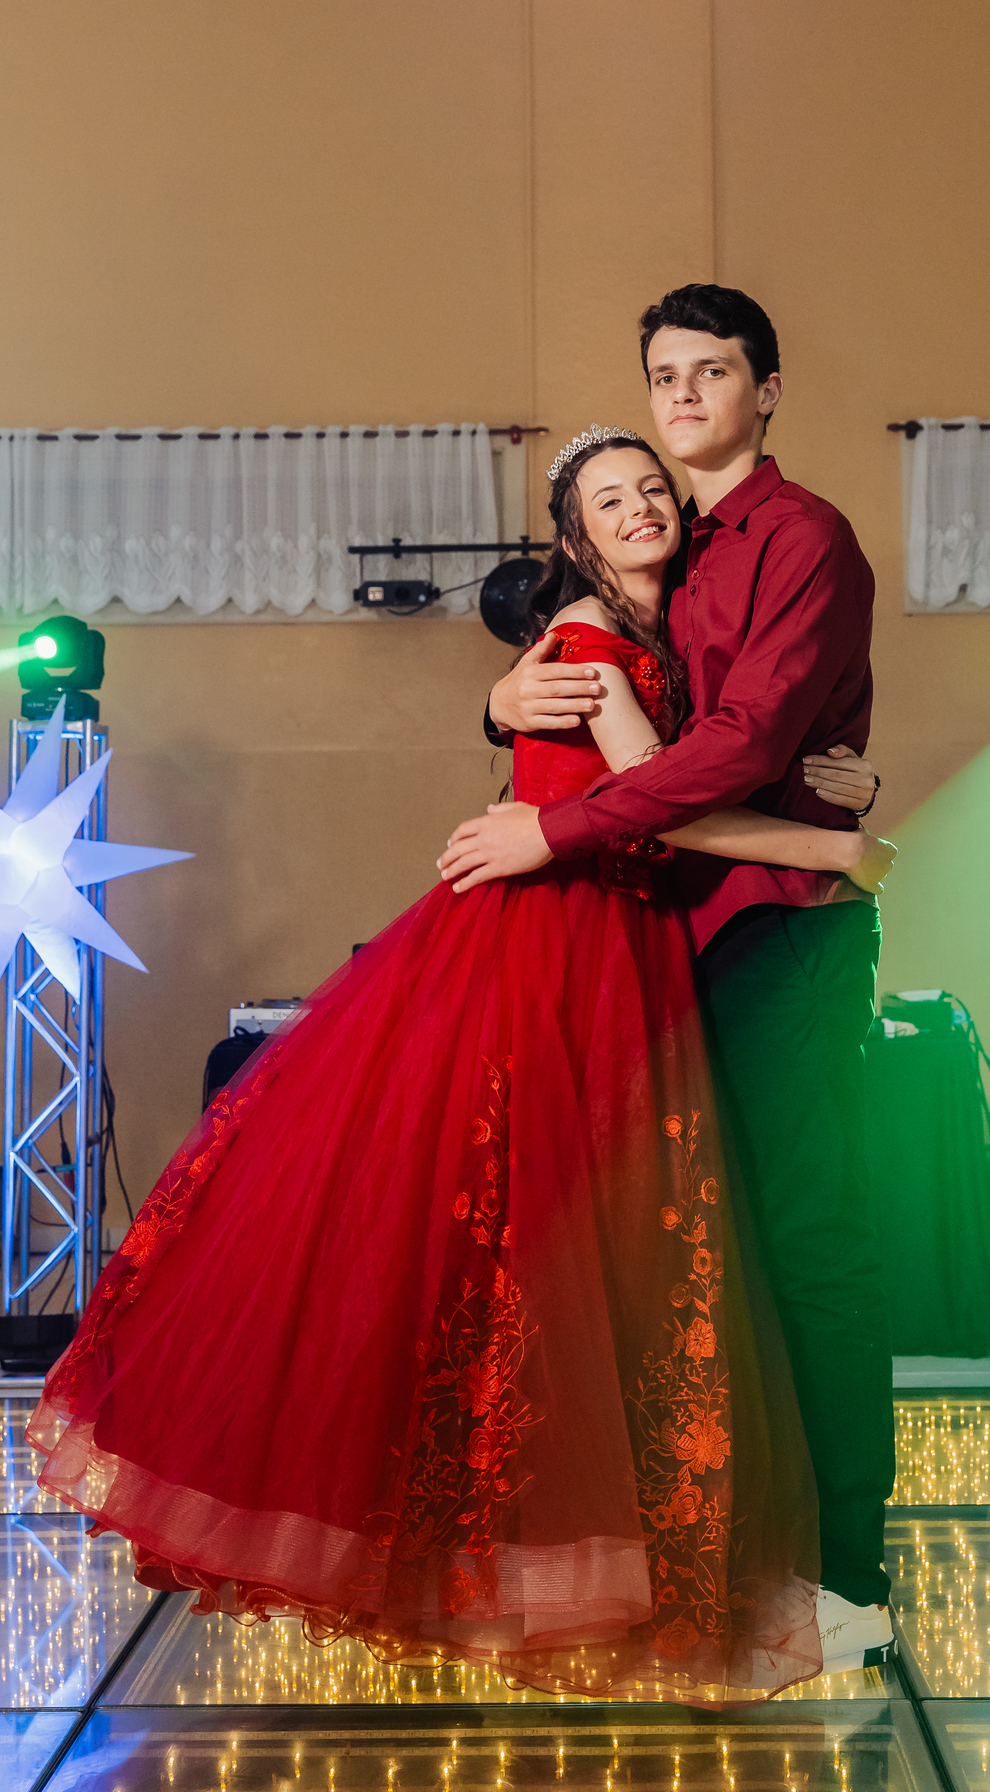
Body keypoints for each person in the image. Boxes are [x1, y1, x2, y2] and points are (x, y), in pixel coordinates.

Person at [28, 429, 892, 1706]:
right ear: (575, 538)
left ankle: (542, 1550)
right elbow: (660, 798)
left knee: (568, 1256)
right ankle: (509, 1553)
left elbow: (694, 762)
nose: (642, 509)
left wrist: (834, 787)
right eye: (610, 501)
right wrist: (839, 848)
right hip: (559, 947)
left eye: (652, 490)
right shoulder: (590, 641)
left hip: (610, 943)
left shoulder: (649, 637)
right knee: (525, 1245)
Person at [438, 285, 896, 1674]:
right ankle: (723, 1555)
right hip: (665, 939)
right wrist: (498, 704)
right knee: (700, 1261)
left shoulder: (802, 537)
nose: (685, 396)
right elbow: (584, 677)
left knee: (808, 1246)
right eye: (664, 376)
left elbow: (742, 744)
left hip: (779, 932)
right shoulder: (673, 555)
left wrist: (557, 829)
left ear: (767, 389)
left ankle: (850, 1579)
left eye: (713, 371)